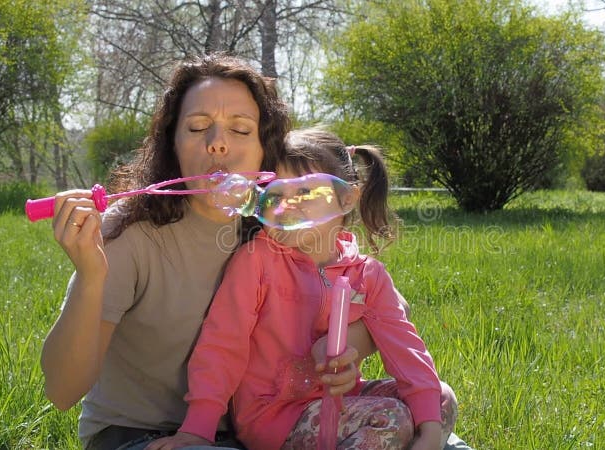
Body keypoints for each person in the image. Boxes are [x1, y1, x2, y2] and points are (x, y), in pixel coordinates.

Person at [39, 54, 368, 450]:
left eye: (241, 130)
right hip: (140, 435)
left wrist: (347, 345)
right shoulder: (130, 230)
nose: (218, 144)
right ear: (172, 143)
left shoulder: (278, 226)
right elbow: (61, 390)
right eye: (198, 128)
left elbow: (380, 297)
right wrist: (91, 277)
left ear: (266, 149)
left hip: (260, 430)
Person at [146, 127, 459, 450]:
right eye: (277, 195)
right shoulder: (258, 260)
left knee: (439, 399)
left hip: (341, 405)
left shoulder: (368, 274)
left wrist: (430, 433)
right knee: (390, 416)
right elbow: (222, 345)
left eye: (306, 193)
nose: (289, 205)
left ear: (346, 198)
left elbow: (407, 353)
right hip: (274, 417)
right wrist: (197, 429)